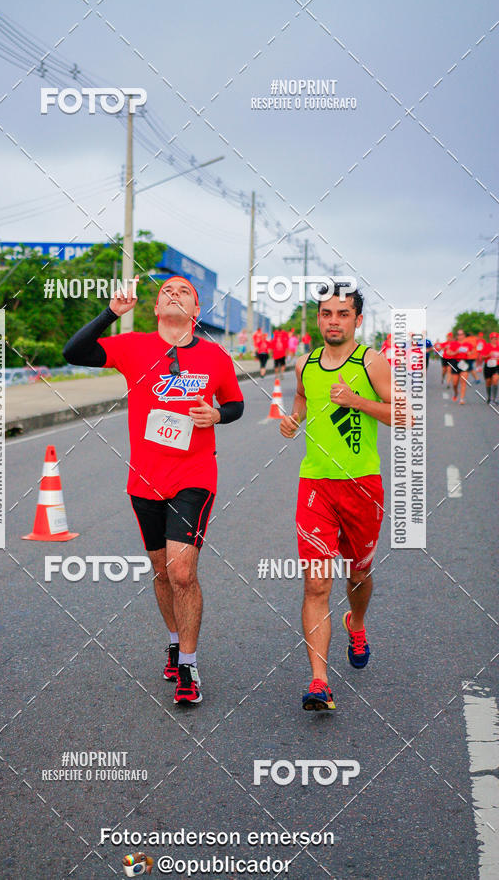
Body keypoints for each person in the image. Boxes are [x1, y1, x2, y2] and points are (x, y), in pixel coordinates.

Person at [63, 276, 244, 705]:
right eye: (167, 291)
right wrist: (111, 314)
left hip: (195, 475)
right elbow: (73, 353)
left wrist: (216, 416)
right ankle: (174, 641)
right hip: (144, 479)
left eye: (184, 292)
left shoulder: (216, 356)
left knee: (182, 572)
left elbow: (236, 404)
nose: (174, 294)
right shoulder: (134, 347)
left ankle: (189, 665)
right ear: (155, 309)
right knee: (162, 572)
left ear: (196, 311)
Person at [280, 284, 394, 712]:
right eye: (326, 313)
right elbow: (304, 398)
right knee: (316, 583)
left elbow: (403, 414)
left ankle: (357, 622)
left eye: (342, 314)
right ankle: (319, 681)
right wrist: (293, 420)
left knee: (359, 573)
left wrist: (356, 400)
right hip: (315, 484)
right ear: (318, 319)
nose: (333, 320)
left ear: (356, 320)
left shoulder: (371, 362)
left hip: (363, 484)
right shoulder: (304, 363)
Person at [446, 329, 476, 404]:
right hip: (455, 362)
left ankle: (462, 399)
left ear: (464, 335)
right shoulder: (453, 344)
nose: (460, 336)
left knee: (463, 381)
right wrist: (456, 352)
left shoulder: (468, 344)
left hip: (464, 363)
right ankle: (456, 392)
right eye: (459, 334)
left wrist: (469, 353)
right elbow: (448, 352)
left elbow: (472, 352)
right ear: (457, 336)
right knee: (455, 383)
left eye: (462, 334)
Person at [482, 332, 499, 404]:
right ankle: (489, 397)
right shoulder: (487, 346)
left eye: (496, 339)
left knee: (495, 380)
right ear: (490, 339)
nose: (494, 340)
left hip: (497, 366)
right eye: (493, 339)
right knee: (488, 382)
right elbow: (482, 357)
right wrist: (489, 355)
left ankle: (494, 398)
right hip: (488, 366)